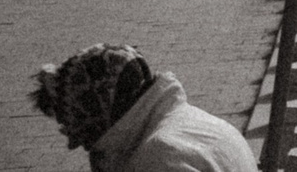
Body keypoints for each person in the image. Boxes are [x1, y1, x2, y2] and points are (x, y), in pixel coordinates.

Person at [32, 44, 257, 172]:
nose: (74, 143)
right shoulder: (193, 121)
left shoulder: (159, 157)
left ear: (96, 114)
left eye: (73, 125)